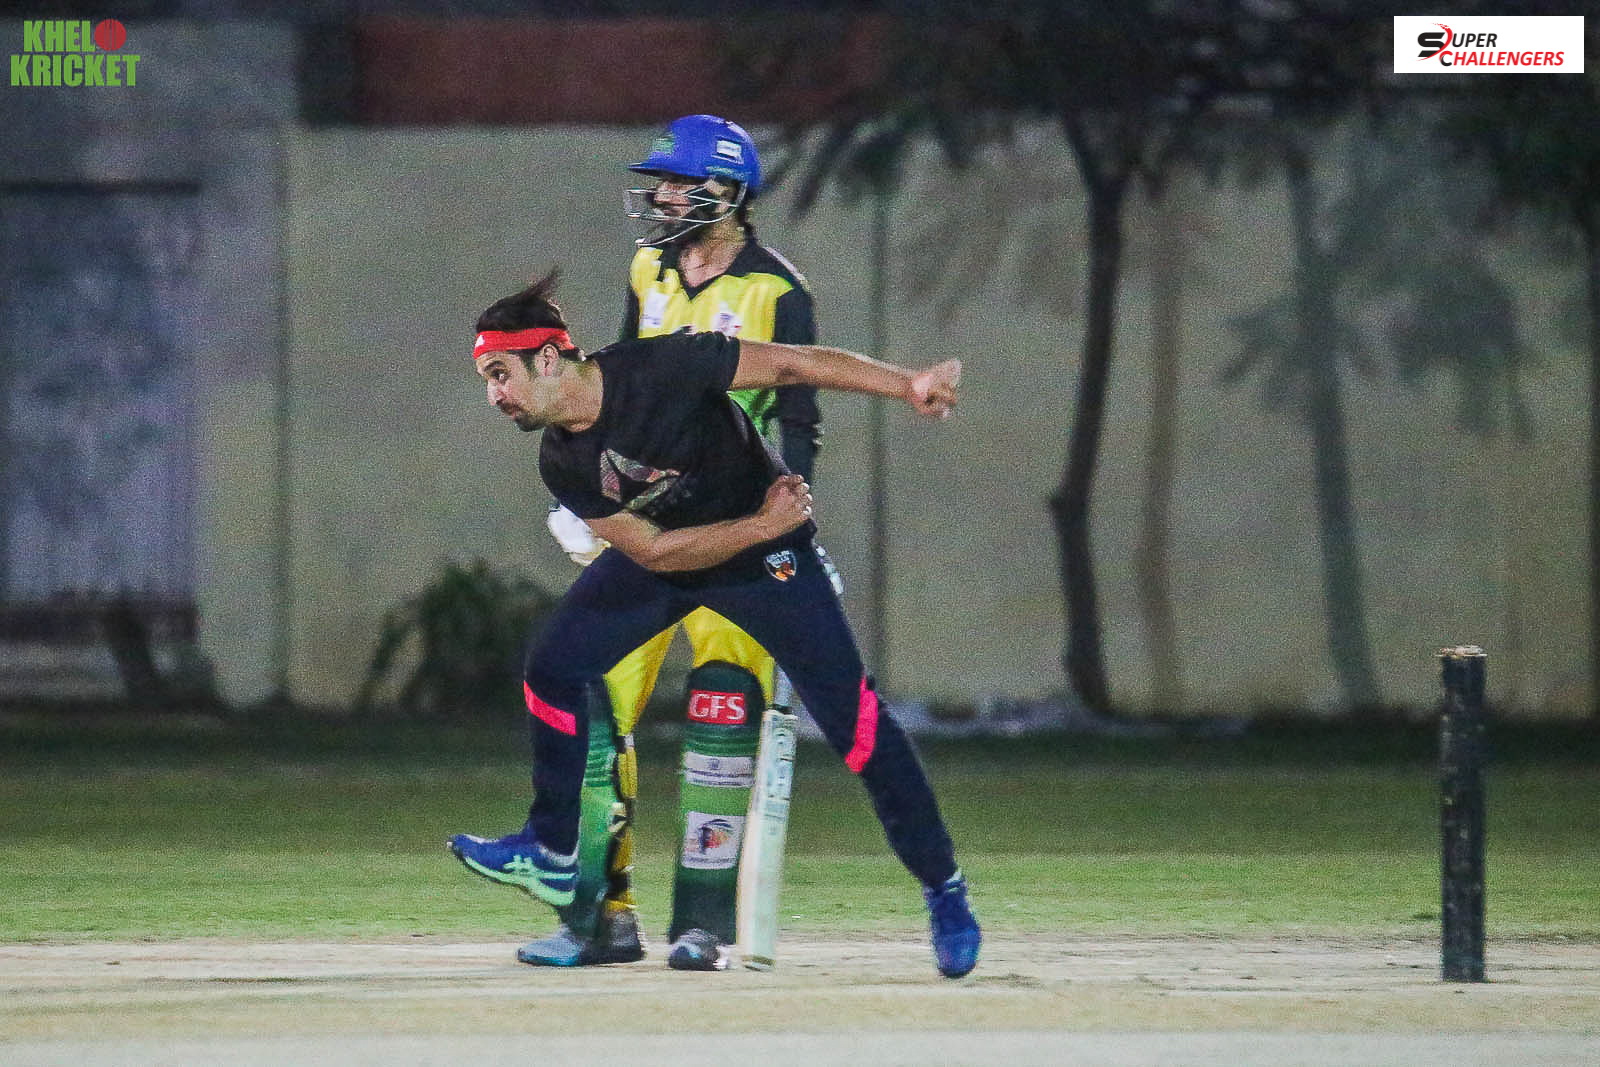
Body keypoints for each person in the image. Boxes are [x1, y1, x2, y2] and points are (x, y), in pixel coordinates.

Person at [448, 270, 981, 980]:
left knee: (857, 726)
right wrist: (758, 522)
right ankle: (552, 851)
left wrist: (907, 384)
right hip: (691, 553)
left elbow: (792, 365)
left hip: (768, 561)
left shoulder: (664, 365)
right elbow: (655, 552)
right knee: (553, 666)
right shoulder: (561, 460)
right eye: (487, 380)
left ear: (547, 358)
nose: (494, 395)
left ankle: (944, 888)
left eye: (499, 374)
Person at [534, 114, 823, 972]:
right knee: (593, 701)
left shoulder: (778, 290)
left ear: (726, 192)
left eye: (677, 183)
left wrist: (793, 522)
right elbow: (617, 386)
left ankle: (703, 924)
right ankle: (602, 915)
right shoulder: (647, 269)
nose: (660, 197)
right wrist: (586, 495)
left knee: (724, 705)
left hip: (734, 529)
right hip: (649, 527)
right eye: (658, 182)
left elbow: (800, 414)